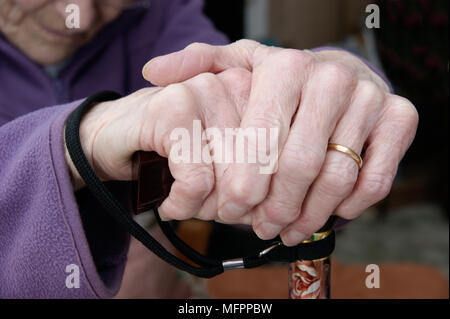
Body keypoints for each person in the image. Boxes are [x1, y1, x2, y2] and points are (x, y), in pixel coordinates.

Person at [0, 0, 418, 298]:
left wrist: (329, 85)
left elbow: (240, 89)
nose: (80, 16)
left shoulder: (157, 14)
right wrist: (80, 141)